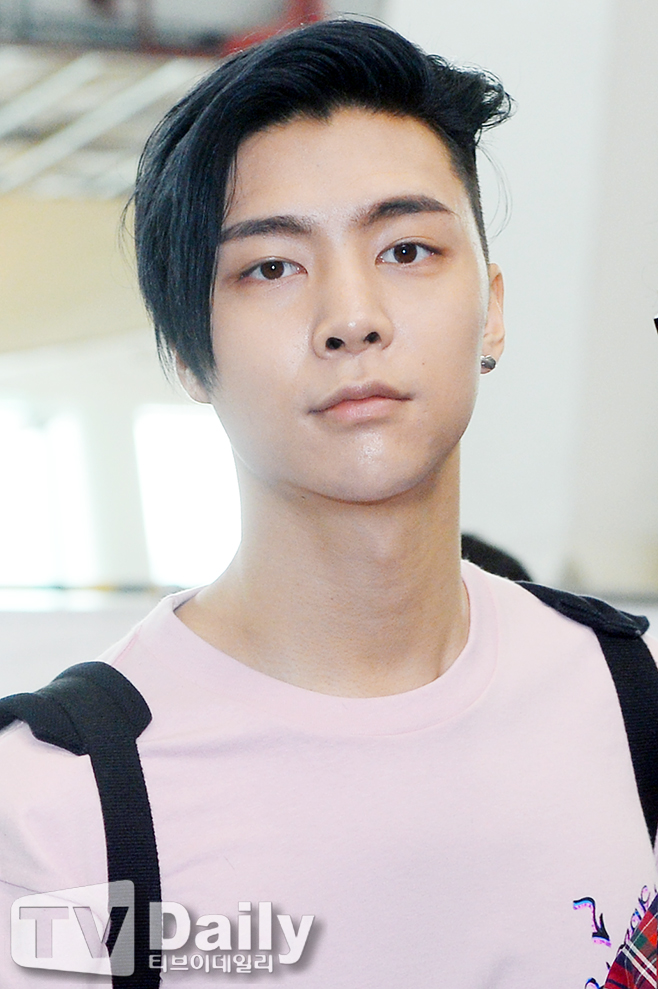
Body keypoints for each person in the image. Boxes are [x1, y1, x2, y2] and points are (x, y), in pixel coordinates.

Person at [0, 19, 656, 989]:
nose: (352, 317)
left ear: (494, 310)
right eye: (270, 267)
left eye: (407, 248)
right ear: (186, 355)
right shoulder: (62, 797)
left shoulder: (621, 687)